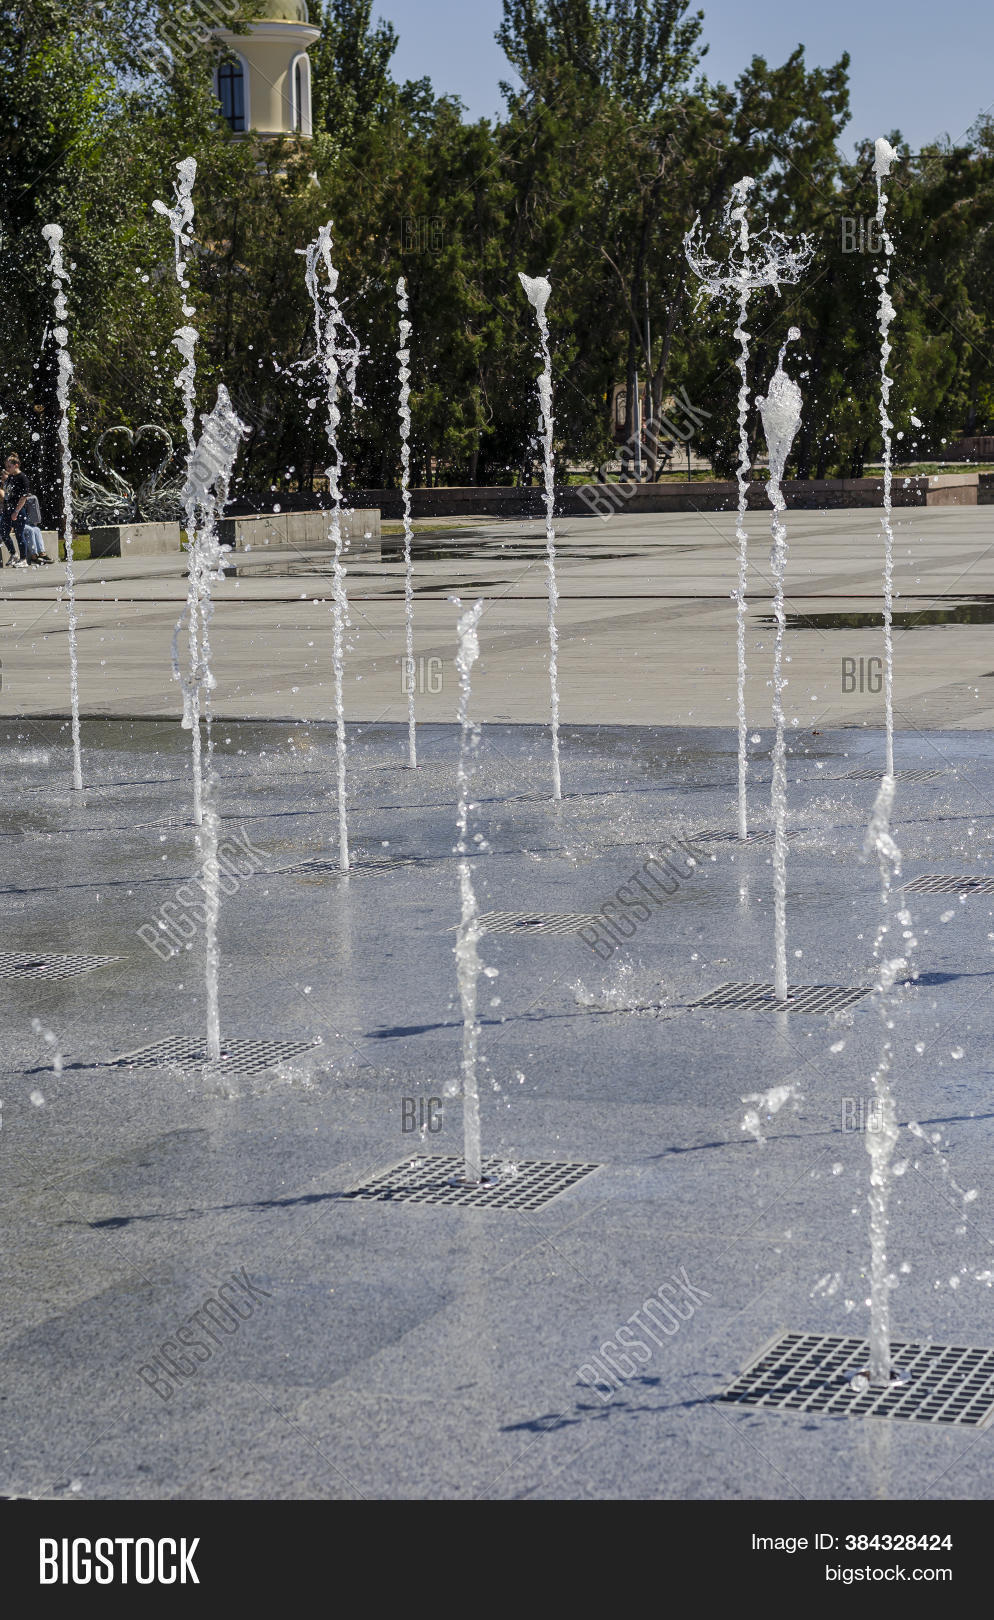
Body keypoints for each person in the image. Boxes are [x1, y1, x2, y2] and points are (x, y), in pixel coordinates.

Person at [1, 453, 29, 566]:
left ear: (16, 465)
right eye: (6, 467)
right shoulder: (10, 477)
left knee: (19, 534)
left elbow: (24, 497)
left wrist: (16, 511)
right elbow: (7, 494)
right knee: (3, 533)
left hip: (18, 510)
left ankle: (23, 559)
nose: (7, 469)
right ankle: (13, 554)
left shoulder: (22, 477)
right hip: (7, 509)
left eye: (9, 466)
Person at [20, 492, 54, 564]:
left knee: (36, 529)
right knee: (30, 530)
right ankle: (34, 556)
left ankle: (42, 553)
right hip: (15, 523)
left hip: (22, 522)